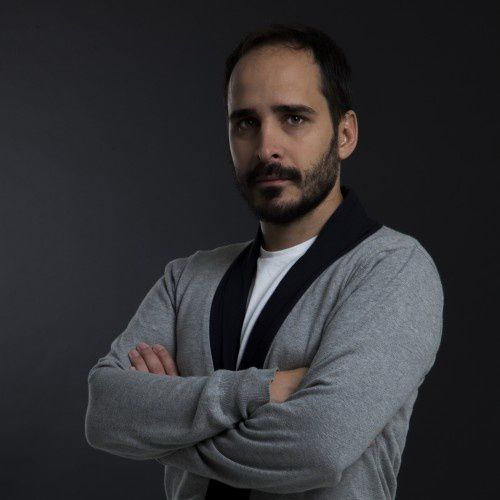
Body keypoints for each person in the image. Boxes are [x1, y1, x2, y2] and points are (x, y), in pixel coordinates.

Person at [85, 23, 444, 499]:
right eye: (245, 123)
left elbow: (316, 449)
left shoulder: (392, 270)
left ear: (344, 134)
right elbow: (105, 412)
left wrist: (160, 430)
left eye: (293, 118)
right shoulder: (186, 279)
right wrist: (262, 389)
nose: (265, 146)